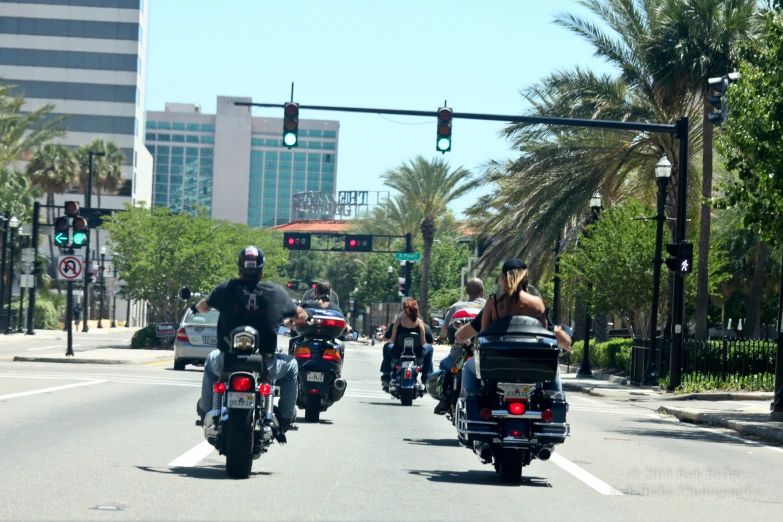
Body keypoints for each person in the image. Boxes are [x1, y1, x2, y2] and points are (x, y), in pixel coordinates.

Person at [193, 246, 309, 434]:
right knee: (292, 367)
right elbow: (300, 315)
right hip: (266, 363)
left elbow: (204, 306)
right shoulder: (276, 292)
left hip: (227, 361)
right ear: (262, 271)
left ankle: (207, 411)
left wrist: (197, 306)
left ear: (239, 269)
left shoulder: (225, 288)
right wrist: (304, 317)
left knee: (210, 363)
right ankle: (285, 417)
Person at [456, 259, 571, 399]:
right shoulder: (537, 303)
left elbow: (484, 336)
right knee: (555, 371)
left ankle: (470, 407)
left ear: (503, 278)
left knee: (468, 367)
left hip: (497, 364)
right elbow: (544, 336)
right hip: (532, 364)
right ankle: (556, 403)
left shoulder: (494, 302)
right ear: (525, 278)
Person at [433, 278, 486, 414]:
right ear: (483, 291)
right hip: (483, 352)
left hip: (459, 352)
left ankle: (444, 399)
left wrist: (442, 337)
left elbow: (445, 329)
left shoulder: (456, 307)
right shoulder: (488, 306)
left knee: (445, 366)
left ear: (467, 291)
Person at [379, 299, 434, 391]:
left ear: (404, 309)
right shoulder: (420, 323)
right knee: (430, 348)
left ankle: (386, 375)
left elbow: (392, 340)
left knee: (386, 347)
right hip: (417, 354)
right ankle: (425, 376)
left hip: (398, 353)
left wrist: (383, 339)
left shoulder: (398, 321)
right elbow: (423, 342)